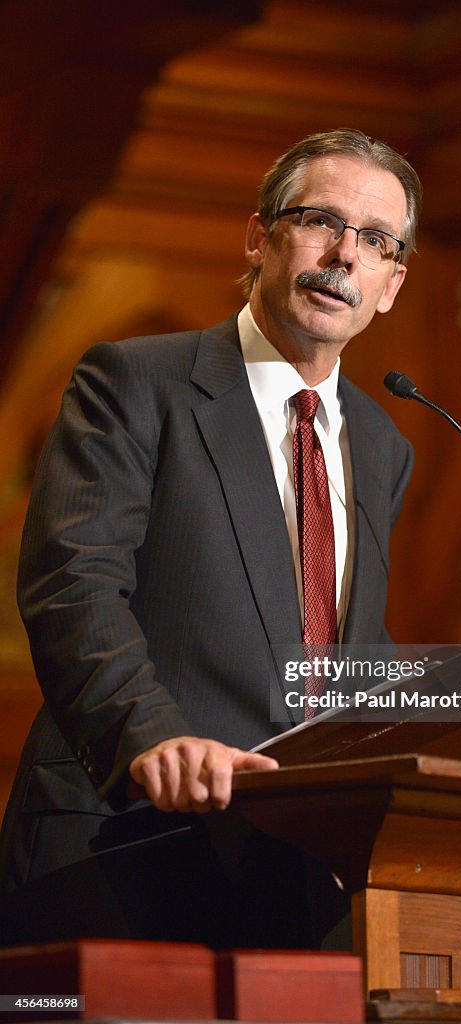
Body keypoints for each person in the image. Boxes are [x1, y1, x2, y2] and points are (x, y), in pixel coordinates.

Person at [0, 129, 421, 948]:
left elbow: (338, 652)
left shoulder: (383, 446)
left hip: (294, 876)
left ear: (392, 285)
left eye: (374, 242)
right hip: (122, 841)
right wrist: (150, 737)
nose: (342, 255)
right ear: (259, 236)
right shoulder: (136, 383)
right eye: (319, 221)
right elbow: (72, 584)